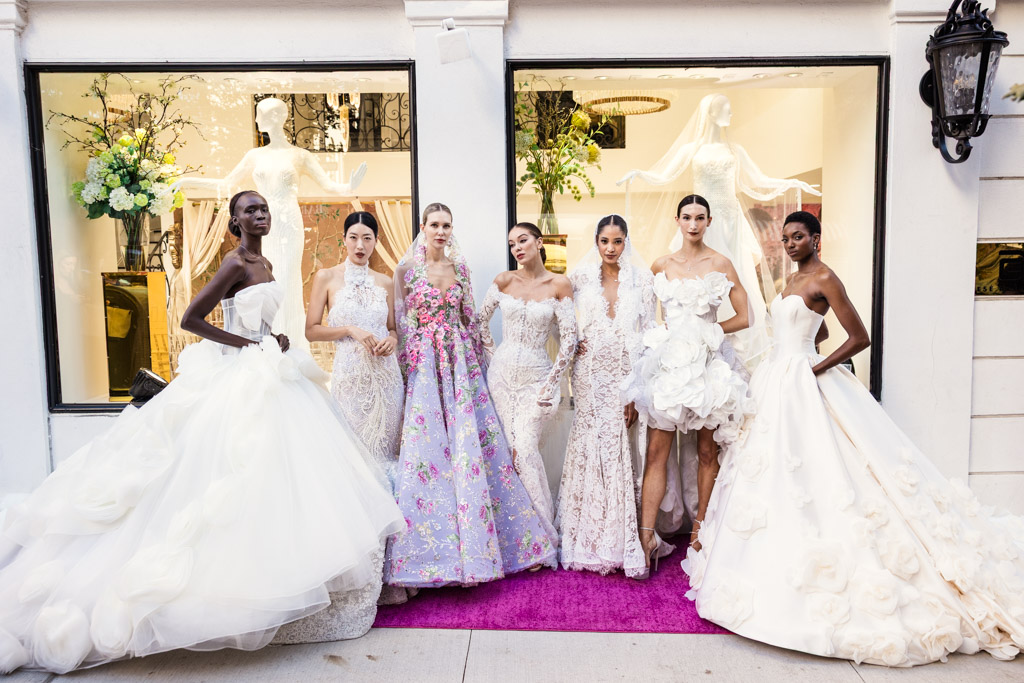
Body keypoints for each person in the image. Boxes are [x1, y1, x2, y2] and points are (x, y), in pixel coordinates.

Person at [0, 191, 403, 674]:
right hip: (239, 371)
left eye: (263, 209)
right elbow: (192, 319)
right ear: (235, 220)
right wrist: (247, 344)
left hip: (267, 364)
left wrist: (272, 338)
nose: (261, 215)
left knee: (276, 473)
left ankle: (270, 574)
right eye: (250, 210)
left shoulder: (265, 261)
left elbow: (256, 317)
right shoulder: (235, 262)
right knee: (220, 468)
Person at [682, 212, 1024, 667]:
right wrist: (804, 347)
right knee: (771, 470)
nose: (790, 243)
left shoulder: (825, 277)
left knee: (823, 470)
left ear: (816, 238)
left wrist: (814, 366)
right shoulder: (792, 280)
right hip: (776, 381)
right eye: (785, 238)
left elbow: (858, 336)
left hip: (801, 379)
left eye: (798, 236)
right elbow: (816, 327)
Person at [384, 203, 558, 588]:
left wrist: (482, 363)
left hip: (461, 363)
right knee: (430, 450)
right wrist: (409, 368)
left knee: (470, 447)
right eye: (434, 225)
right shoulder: (405, 270)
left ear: (451, 229)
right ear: (423, 227)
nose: (440, 231)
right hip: (425, 366)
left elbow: (470, 319)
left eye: (446, 225)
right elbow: (400, 322)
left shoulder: (461, 269)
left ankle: (484, 545)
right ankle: (435, 555)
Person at [623, 194, 755, 570]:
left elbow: (746, 316)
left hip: (709, 364)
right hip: (667, 365)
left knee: (708, 454)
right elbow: (642, 318)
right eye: (687, 217)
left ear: (709, 221)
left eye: (700, 217)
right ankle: (646, 537)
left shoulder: (721, 263)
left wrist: (708, 330)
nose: (693, 224)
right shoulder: (660, 265)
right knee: (656, 453)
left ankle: (700, 535)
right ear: (677, 220)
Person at [175, 98, 368, 352]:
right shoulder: (254, 156)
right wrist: (187, 182)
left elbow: (329, 185)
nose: (257, 120)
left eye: (261, 114)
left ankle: (291, 347)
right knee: (259, 283)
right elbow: (227, 183)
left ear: (278, 117)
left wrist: (349, 187)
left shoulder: (300, 155)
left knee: (285, 281)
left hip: (287, 222)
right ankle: (265, 342)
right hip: (261, 223)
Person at [305, 210, 412, 607]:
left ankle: (392, 574)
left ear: (375, 241)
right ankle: (357, 574)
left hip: (387, 380)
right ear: (344, 240)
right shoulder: (326, 277)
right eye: (354, 237)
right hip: (350, 380)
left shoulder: (386, 281)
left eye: (368, 238)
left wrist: (392, 340)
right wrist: (349, 329)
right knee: (354, 466)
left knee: (386, 462)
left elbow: (395, 329)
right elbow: (311, 330)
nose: (361, 245)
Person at [557, 215, 655, 579]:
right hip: (588, 372)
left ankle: (619, 536)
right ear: (596, 242)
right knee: (588, 441)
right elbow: (556, 313)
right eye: (604, 241)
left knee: (617, 445)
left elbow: (649, 332)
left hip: (625, 372)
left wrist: (636, 388)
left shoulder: (643, 280)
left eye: (617, 241)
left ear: (626, 242)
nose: (610, 248)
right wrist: (572, 341)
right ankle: (583, 532)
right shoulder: (580, 277)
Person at [478, 222, 576, 533]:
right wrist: (493, 360)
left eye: (522, 241)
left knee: (525, 449)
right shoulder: (504, 280)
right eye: (512, 244)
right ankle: (508, 531)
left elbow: (569, 341)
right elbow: (479, 323)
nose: (517, 248)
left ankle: (540, 531)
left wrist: (551, 383)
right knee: (504, 451)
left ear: (539, 242)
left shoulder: (559, 284)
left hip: (538, 381)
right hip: (501, 379)